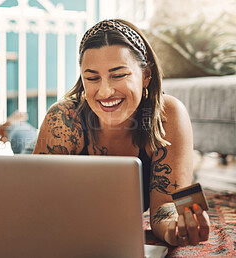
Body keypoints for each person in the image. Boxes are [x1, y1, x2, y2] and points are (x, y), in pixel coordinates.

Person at [32, 19, 210, 247]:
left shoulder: (169, 115)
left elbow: (165, 205)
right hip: (42, 147)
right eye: (92, 78)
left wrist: (174, 228)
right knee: (22, 142)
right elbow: (38, 202)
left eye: (118, 75)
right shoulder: (64, 120)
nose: (105, 92)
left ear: (146, 75)